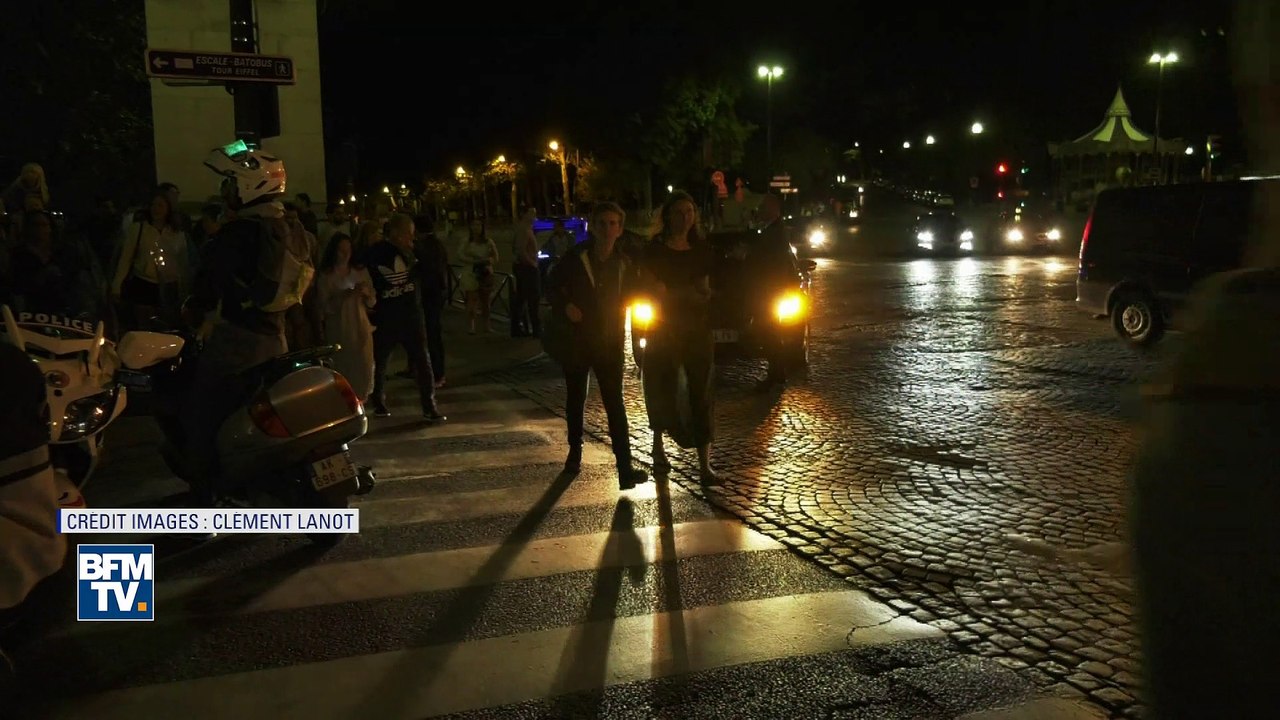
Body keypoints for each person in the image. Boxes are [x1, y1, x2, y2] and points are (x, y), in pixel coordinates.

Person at [179, 142, 305, 506]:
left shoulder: (238, 233)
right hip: (276, 336)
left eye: (231, 184)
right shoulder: (288, 225)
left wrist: (194, 312)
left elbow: (206, 283)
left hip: (237, 342)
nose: (226, 192)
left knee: (200, 413)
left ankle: (204, 498)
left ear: (250, 186)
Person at [545, 202, 648, 490]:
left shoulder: (625, 261)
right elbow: (551, 285)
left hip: (610, 341)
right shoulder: (576, 258)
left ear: (620, 228)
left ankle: (625, 468)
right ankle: (574, 452)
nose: (607, 229)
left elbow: (637, 290)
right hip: (577, 340)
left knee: (615, 403)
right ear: (592, 226)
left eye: (613, 223)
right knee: (576, 397)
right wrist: (566, 306)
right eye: (602, 223)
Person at [638, 191, 719, 482]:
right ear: (668, 216)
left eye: (690, 211)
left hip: (696, 327)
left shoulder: (701, 250)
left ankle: (705, 464)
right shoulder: (654, 251)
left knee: (702, 390)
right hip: (664, 327)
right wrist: (681, 293)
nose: (685, 218)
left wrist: (686, 293)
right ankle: (658, 448)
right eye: (679, 212)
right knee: (662, 385)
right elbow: (652, 289)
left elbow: (703, 290)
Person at [366, 212, 445, 422]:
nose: (410, 238)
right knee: (380, 361)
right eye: (406, 234)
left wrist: (414, 253)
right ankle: (379, 401)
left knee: (422, 360)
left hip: (411, 314)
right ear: (394, 233)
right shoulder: (377, 252)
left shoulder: (415, 251)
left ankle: (429, 405)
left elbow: (430, 273)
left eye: (411, 234)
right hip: (387, 314)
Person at [749, 193, 801, 386]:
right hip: (770, 289)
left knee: (769, 332)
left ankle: (776, 373)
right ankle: (776, 372)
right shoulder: (773, 230)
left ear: (772, 209)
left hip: (770, 290)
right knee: (769, 332)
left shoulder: (774, 232)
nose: (759, 211)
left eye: (763, 207)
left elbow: (769, 261)